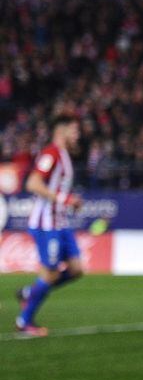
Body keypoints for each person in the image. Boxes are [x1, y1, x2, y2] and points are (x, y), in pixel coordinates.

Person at [16, 114, 84, 337]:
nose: (78, 134)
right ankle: (24, 322)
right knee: (50, 274)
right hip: (46, 224)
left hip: (61, 223)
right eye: (74, 130)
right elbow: (33, 183)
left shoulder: (64, 156)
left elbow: (55, 189)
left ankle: (29, 293)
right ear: (61, 130)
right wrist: (64, 199)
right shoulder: (51, 153)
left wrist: (69, 200)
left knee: (76, 270)